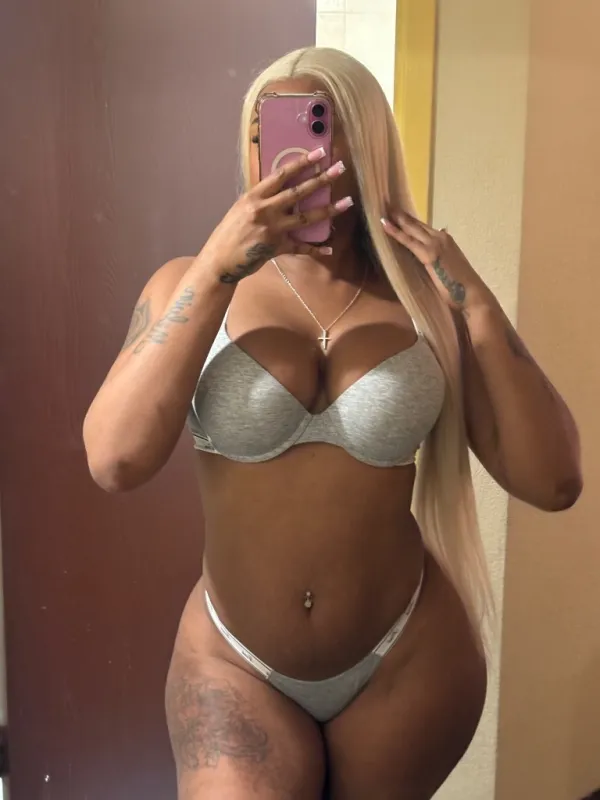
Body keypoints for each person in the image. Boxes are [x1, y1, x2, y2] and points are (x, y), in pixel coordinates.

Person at [83, 47, 582, 800]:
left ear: (366, 141)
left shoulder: (427, 300)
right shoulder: (189, 284)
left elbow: (555, 482)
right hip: (235, 661)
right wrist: (217, 267)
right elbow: (114, 460)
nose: (286, 152)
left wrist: (475, 304)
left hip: (407, 659)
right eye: (264, 130)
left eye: (316, 123)